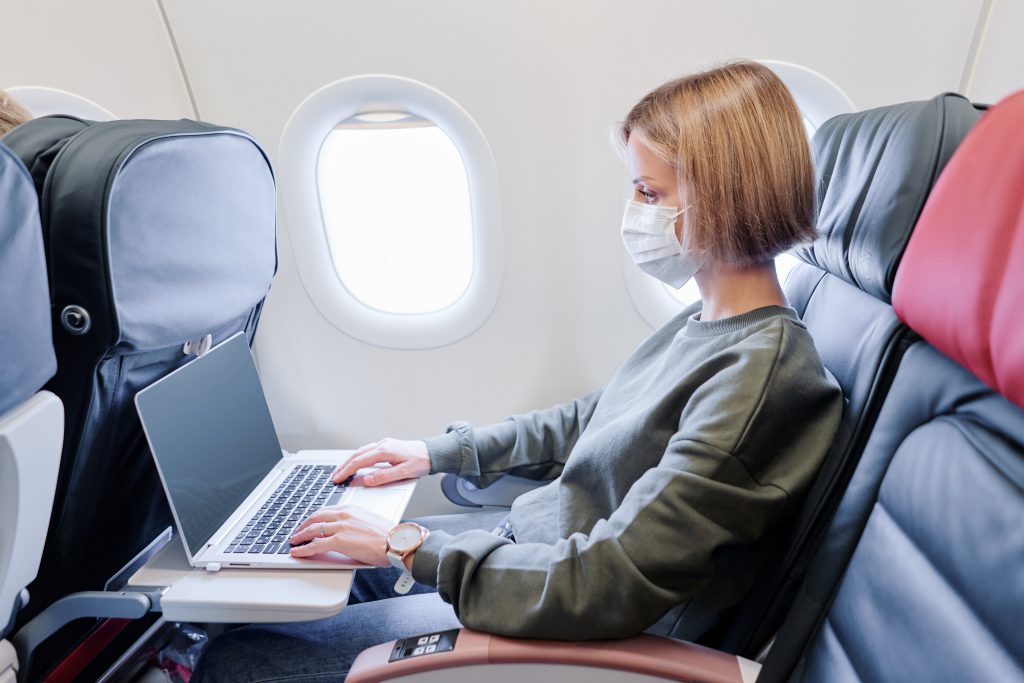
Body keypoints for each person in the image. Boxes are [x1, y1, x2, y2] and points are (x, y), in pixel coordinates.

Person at [193, 60, 844, 681]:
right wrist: (435, 453)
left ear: (726, 195)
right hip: (524, 550)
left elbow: (608, 580)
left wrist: (406, 543)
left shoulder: (762, 376)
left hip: (571, 621)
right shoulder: (707, 320)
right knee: (289, 572)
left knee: (239, 661)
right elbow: (594, 416)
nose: (635, 213)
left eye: (650, 192)